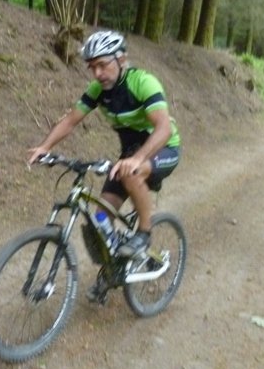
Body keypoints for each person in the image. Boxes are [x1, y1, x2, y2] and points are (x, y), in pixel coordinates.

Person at [27, 30, 181, 300]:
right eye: (92, 67)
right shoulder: (98, 90)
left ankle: (144, 233)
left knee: (132, 172)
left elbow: (164, 129)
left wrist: (138, 158)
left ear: (121, 59)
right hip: (130, 155)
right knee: (100, 220)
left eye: (103, 64)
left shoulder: (143, 83)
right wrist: (45, 147)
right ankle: (112, 273)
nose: (97, 73)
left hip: (162, 149)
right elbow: (70, 120)